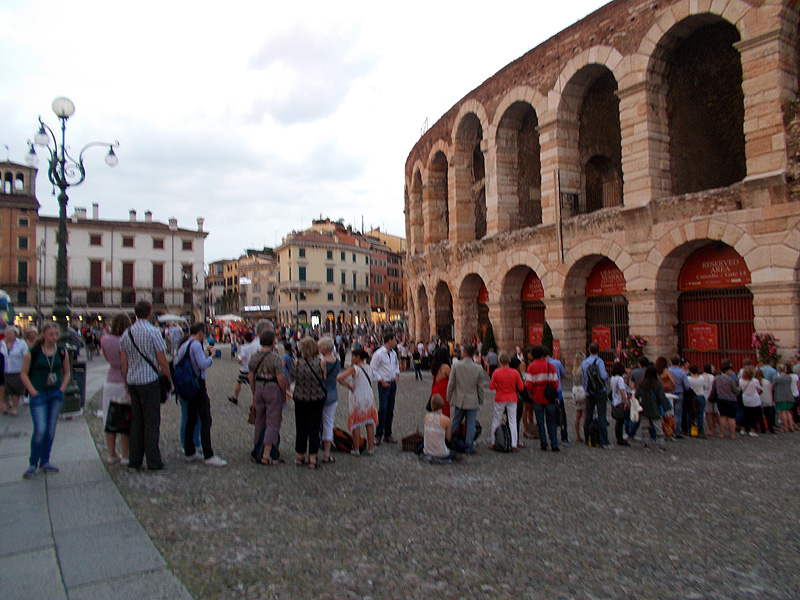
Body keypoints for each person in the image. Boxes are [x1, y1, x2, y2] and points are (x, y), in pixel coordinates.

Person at [119, 300, 173, 471]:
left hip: (133, 381)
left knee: (137, 421)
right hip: (149, 380)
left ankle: (134, 460)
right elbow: (162, 361)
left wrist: (126, 383)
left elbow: (123, 364)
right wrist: (169, 380)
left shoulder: (126, 334)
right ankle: (153, 461)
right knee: (151, 421)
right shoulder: (153, 332)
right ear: (150, 313)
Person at [19, 322, 71, 478]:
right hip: (39, 394)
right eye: (51, 334)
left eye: (56, 334)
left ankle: (45, 461)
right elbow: (23, 373)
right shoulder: (33, 352)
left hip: (55, 394)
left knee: (50, 430)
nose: (54, 337)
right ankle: (33, 463)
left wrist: (62, 388)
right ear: (43, 334)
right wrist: (33, 391)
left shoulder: (61, 351)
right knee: (40, 429)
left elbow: (67, 371)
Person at [175, 324, 226, 467]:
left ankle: (190, 452)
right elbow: (202, 364)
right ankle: (208, 455)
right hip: (197, 386)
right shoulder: (196, 345)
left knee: (191, 418)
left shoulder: (184, 344)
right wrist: (212, 357)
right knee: (205, 419)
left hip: (187, 386)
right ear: (200, 333)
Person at [248, 329, 288, 465]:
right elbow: (280, 378)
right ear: (273, 342)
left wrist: (253, 391)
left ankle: (257, 448)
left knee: (259, 419)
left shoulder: (255, 356)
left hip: (259, 388)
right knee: (273, 422)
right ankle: (266, 454)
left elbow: (250, 375)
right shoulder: (274, 357)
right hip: (272, 389)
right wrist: (283, 394)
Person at [100, 314, 132, 464]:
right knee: (126, 418)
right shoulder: (128, 340)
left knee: (109, 417)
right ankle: (125, 454)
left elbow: (107, 358)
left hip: (110, 380)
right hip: (125, 381)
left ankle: (112, 454)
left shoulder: (105, 339)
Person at [293, 337, 327, 469]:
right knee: (314, 427)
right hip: (315, 398)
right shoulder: (321, 362)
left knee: (301, 426)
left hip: (300, 398)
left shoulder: (297, 362)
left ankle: (300, 455)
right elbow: (323, 377)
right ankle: (313, 457)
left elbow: (295, 376)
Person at [337, 347, 378, 456]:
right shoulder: (369, 367)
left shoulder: (355, 368)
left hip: (357, 397)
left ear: (358, 357)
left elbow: (339, 378)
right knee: (369, 423)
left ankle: (356, 449)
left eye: (353, 356)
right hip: (368, 396)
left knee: (356, 423)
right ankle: (370, 448)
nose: (352, 359)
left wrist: (349, 386)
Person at [446, 344, 485, 454]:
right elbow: (480, 388)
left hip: (460, 400)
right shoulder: (478, 368)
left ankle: (447, 440)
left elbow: (451, 384)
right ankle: (469, 446)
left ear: (465, 353)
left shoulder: (456, 366)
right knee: (471, 424)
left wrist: (448, 397)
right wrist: (481, 401)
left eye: (462, 351)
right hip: (472, 400)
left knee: (455, 422)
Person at [526, 345, 561, 452]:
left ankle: (543, 443)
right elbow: (555, 383)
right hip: (549, 397)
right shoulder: (550, 366)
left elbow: (528, 384)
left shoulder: (531, 367)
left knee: (540, 421)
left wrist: (531, 393)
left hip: (537, 397)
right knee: (552, 421)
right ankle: (554, 443)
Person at [489, 351, 523, 451]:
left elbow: (491, 387)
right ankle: (513, 444)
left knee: (497, 419)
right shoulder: (515, 372)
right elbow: (521, 387)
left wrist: (498, 387)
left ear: (500, 361)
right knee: (513, 421)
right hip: (512, 398)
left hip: (500, 397)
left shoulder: (496, 372)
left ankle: (493, 442)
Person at [371, 332, 400, 445]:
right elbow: (373, 369)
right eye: (394, 340)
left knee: (390, 410)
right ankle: (378, 434)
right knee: (382, 409)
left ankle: (388, 434)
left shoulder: (393, 353)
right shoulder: (379, 354)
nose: (396, 342)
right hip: (384, 384)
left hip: (392, 384)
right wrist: (381, 380)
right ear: (389, 341)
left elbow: (396, 365)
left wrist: (397, 375)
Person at [634, 365, 670, 452]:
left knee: (645, 427)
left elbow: (636, 395)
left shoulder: (642, 384)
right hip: (655, 408)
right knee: (658, 427)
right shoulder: (657, 384)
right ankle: (661, 445)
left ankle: (646, 444)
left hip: (644, 408)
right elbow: (662, 397)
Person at [582, 343, 610, 448]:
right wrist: (606, 379)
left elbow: (584, 378)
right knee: (602, 415)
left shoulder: (584, 362)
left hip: (589, 391)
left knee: (588, 415)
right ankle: (604, 440)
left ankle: (587, 438)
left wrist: (586, 389)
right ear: (598, 351)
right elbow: (603, 375)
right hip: (600, 391)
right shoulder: (599, 361)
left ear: (589, 350)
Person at [319, 337, 340, 464]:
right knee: (328, 424)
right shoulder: (337, 362)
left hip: (320, 394)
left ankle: (313, 453)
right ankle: (327, 454)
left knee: (316, 422)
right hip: (332, 394)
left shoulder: (321, 362)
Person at [545, 346, 570, 445]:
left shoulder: (542, 364)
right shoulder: (557, 363)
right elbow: (563, 373)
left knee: (549, 415)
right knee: (562, 415)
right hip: (557, 391)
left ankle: (551, 436)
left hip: (546, 392)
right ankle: (564, 437)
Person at [2, 326, 28, 416]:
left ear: (15, 334)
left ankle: (14, 408)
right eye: (7, 334)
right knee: (4, 390)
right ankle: (7, 405)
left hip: (17, 370)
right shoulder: (1, 343)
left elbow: (26, 356)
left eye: (11, 334)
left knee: (15, 390)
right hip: (4, 370)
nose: (9, 335)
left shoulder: (21, 343)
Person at [423, 394, 457, 462]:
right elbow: (448, 438)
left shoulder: (427, 417)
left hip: (427, 451)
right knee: (454, 451)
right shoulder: (447, 420)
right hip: (441, 452)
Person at [714, 360, 741, 440]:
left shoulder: (717, 378)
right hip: (731, 400)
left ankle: (722, 433)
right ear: (727, 371)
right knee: (731, 417)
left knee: (723, 416)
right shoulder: (730, 380)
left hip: (721, 399)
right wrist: (740, 388)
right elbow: (736, 390)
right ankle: (732, 434)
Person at [229, 331, 256, 405]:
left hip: (245, 368)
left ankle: (235, 398)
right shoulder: (254, 346)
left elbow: (243, 357)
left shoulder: (244, 347)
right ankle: (256, 398)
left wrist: (239, 361)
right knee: (254, 384)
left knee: (239, 382)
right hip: (253, 368)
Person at [668, 356, 691, 438]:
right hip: (679, 393)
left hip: (670, 393)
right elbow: (687, 386)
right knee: (678, 413)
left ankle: (669, 430)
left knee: (670, 412)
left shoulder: (668, 371)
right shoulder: (682, 372)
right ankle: (676, 431)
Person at [609, 361, 630, 447]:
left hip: (615, 401)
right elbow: (622, 390)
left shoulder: (613, 378)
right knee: (620, 421)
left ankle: (619, 437)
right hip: (620, 401)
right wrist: (626, 402)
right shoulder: (620, 379)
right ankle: (620, 438)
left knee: (619, 421)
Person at [687, 364, 711, 437]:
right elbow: (706, 386)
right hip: (700, 395)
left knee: (691, 414)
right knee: (700, 415)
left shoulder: (688, 379)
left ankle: (690, 430)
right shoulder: (701, 378)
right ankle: (700, 431)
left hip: (692, 397)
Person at [773, 363, 795, 432]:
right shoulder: (789, 377)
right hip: (788, 395)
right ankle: (791, 425)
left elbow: (773, 386)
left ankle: (785, 427)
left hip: (780, 396)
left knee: (782, 412)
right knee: (788, 411)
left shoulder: (778, 378)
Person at [430, 347, 451, 416]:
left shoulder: (435, 366)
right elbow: (451, 379)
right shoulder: (445, 367)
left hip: (435, 388)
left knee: (436, 408)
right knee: (444, 409)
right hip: (443, 390)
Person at [571, 352, 586, 443]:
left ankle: (577, 435)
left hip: (576, 392)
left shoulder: (574, 370)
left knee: (577, 415)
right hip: (582, 391)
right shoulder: (582, 369)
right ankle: (585, 433)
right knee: (585, 414)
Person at [756, 368, 775, 434]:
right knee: (768, 415)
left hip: (759, 400)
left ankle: (762, 428)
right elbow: (770, 391)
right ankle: (771, 428)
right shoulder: (767, 382)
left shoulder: (755, 382)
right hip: (767, 399)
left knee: (759, 415)